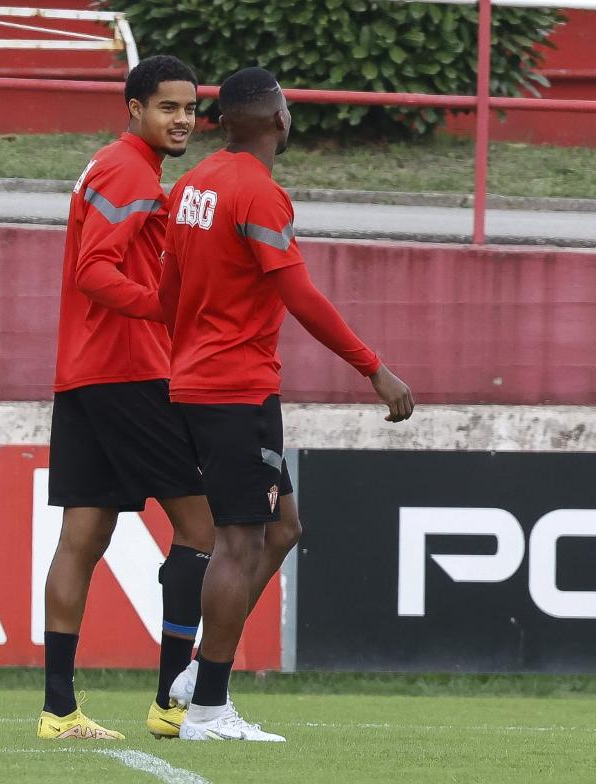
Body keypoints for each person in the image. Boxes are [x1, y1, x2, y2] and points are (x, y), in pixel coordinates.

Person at [160, 66, 415, 742]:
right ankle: (209, 709)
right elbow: (301, 296)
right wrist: (374, 369)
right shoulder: (259, 194)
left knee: (282, 529)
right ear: (278, 119)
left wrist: (188, 350)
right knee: (239, 542)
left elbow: (167, 289)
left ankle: (196, 674)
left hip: (206, 385)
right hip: (234, 390)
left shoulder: (191, 186)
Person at [37, 55, 215, 741]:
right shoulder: (127, 170)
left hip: (84, 374)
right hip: (128, 373)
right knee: (202, 530)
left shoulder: (121, 168)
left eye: (190, 109)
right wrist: (161, 312)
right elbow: (94, 272)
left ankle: (59, 711)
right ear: (134, 109)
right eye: (168, 107)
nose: (182, 120)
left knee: (83, 537)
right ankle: (174, 704)